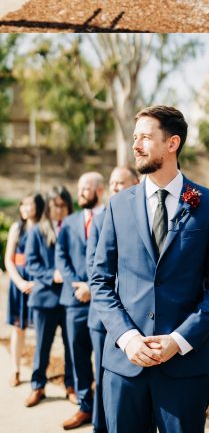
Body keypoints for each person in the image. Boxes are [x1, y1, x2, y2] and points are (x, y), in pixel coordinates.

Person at [91, 105, 209, 433]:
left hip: (184, 367)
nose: (136, 145)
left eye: (145, 137)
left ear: (172, 144)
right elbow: (100, 279)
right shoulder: (117, 205)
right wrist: (127, 338)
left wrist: (179, 340)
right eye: (134, 138)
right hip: (124, 366)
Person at [86, 166, 139, 433]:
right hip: (104, 317)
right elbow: (95, 268)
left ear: (136, 183)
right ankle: (99, 424)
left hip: (141, 319)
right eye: (112, 183)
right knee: (104, 376)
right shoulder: (102, 219)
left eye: (121, 182)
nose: (115, 187)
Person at [56, 171, 105, 430]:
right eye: (79, 187)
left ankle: (104, 411)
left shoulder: (111, 217)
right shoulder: (70, 222)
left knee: (103, 359)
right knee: (78, 355)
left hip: (102, 301)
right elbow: (61, 255)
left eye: (85, 187)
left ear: (99, 190)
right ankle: (85, 406)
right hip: (74, 299)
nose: (80, 192)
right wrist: (76, 283)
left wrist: (92, 287)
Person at [24, 186, 76, 408]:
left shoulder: (73, 228)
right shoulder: (37, 230)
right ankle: (37, 386)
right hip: (44, 299)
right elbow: (31, 263)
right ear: (48, 206)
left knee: (72, 347)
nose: (60, 209)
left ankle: (71, 386)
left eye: (64, 205)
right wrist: (50, 275)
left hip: (69, 299)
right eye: (56, 204)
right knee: (42, 347)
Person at [5, 193, 45, 387]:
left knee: (40, 330)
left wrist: (38, 283)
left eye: (29, 205)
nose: (25, 208)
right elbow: (8, 260)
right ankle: (16, 370)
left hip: (38, 284)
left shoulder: (43, 228)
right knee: (18, 328)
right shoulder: (16, 228)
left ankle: (39, 373)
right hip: (19, 284)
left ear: (38, 206)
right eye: (23, 205)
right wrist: (19, 282)